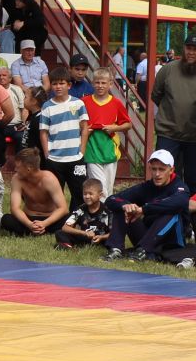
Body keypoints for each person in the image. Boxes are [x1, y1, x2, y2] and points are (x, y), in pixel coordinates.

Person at [105, 150, 191, 260]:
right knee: (125, 207)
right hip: (147, 237)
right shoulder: (147, 187)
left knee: (172, 211)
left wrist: (143, 209)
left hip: (171, 241)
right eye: (154, 169)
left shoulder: (180, 187)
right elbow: (110, 199)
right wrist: (125, 205)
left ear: (171, 170)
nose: (157, 174)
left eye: (162, 169)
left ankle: (144, 250)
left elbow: (180, 202)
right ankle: (116, 249)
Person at [152, 39, 196, 183]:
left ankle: (190, 205)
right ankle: (165, 204)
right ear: (183, 49)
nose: (191, 52)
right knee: (165, 177)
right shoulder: (168, 69)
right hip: (168, 133)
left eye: (195, 49)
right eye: (188, 48)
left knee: (193, 177)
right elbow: (156, 95)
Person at [37, 66, 88, 209]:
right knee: (54, 193)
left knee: (79, 192)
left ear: (69, 85)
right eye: (54, 83)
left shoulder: (78, 103)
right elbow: (43, 132)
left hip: (75, 157)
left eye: (62, 83)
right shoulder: (47, 106)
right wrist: (47, 154)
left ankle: (74, 221)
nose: (58, 87)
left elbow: (84, 128)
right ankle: (57, 221)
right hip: (55, 159)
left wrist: (81, 152)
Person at [80, 66, 131, 199]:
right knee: (99, 187)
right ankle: (101, 216)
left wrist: (114, 128)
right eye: (97, 82)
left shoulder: (116, 103)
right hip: (92, 149)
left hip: (110, 149)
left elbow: (128, 124)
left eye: (103, 83)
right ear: (92, 83)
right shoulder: (84, 102)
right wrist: (85, 130)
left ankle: (107, 215)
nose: (100, 86)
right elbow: (76, 123)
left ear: (110, 84)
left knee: (108, 188)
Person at [1, 147, 67, 237]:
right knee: (6, 219)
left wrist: (44, 223)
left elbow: (63, 209)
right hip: (28, 218)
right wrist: (29, 224)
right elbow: (14, 208)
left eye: (18, 167)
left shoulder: (49, 179)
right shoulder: (17, 179)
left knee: (69, 219)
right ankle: (37, 230)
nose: (15, 169)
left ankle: (37, 230)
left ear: (29, 168)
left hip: (50, 219)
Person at [54, 177, 113, 250]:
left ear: (100, 195)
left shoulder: (108, 210)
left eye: (90, 194)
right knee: (59, 233)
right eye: (85, 194)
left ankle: (65, 246)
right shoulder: (80, 209)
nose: (87, 196)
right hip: (84, 237)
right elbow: (65, 227)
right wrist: (84, 233)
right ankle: (70, 248)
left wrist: (101, 237)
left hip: (101, 239)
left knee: (114, 239)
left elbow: (114, 232)